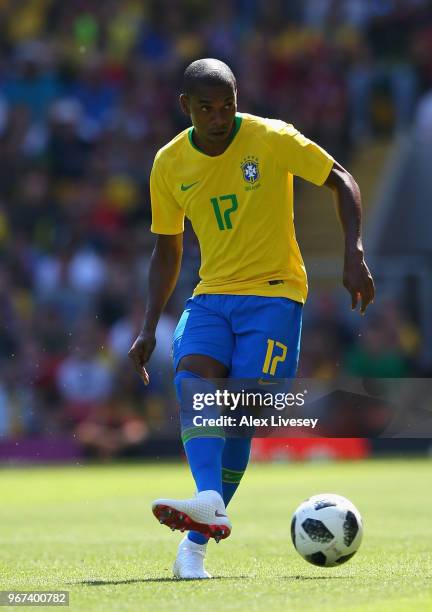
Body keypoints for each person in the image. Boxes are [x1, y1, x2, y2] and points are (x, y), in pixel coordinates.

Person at [128, 58, 375, 579]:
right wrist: (150, 324)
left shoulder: (271, 138)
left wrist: (353, 252)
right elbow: (166, 249)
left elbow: (341, 179)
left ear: (238, 100)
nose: (219, 117)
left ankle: (195, 541)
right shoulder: (169, 163)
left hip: (275, 292)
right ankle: (208, 507)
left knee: (242, 410)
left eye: (227, 106)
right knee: (194, 378)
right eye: (206, 108)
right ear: (185, 107)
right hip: (213, 293)